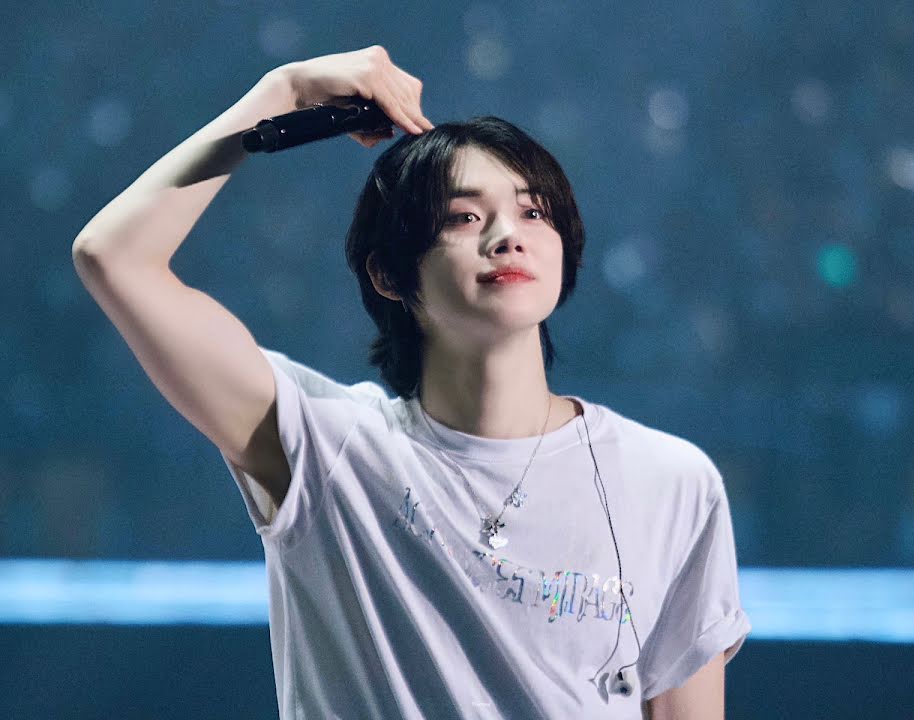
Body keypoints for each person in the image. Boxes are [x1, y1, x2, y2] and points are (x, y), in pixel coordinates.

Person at [72, 45, 751, 719]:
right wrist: (285, 90)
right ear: (390, 274)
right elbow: (113, 257)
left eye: (533, 212)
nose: (507, 235)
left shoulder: (671, 483)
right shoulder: (328, 447)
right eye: (464, 217)